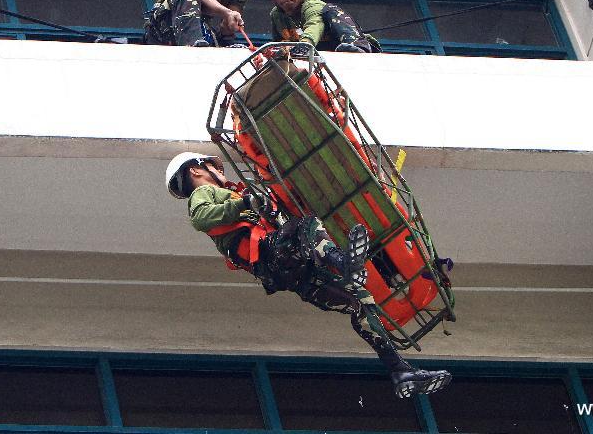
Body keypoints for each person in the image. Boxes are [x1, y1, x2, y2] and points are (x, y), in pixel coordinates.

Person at [165, 152, 452, 398]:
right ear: (196, 169)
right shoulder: (205, 194)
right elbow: (201, 218)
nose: (220, 171)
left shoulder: (233, 195)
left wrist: (263, 204)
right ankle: (344, 262)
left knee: (358, 300)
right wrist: (245, 203)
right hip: (270, 254)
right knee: (306, 226)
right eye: (214, 167)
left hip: (292, 275)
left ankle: (400, 372)